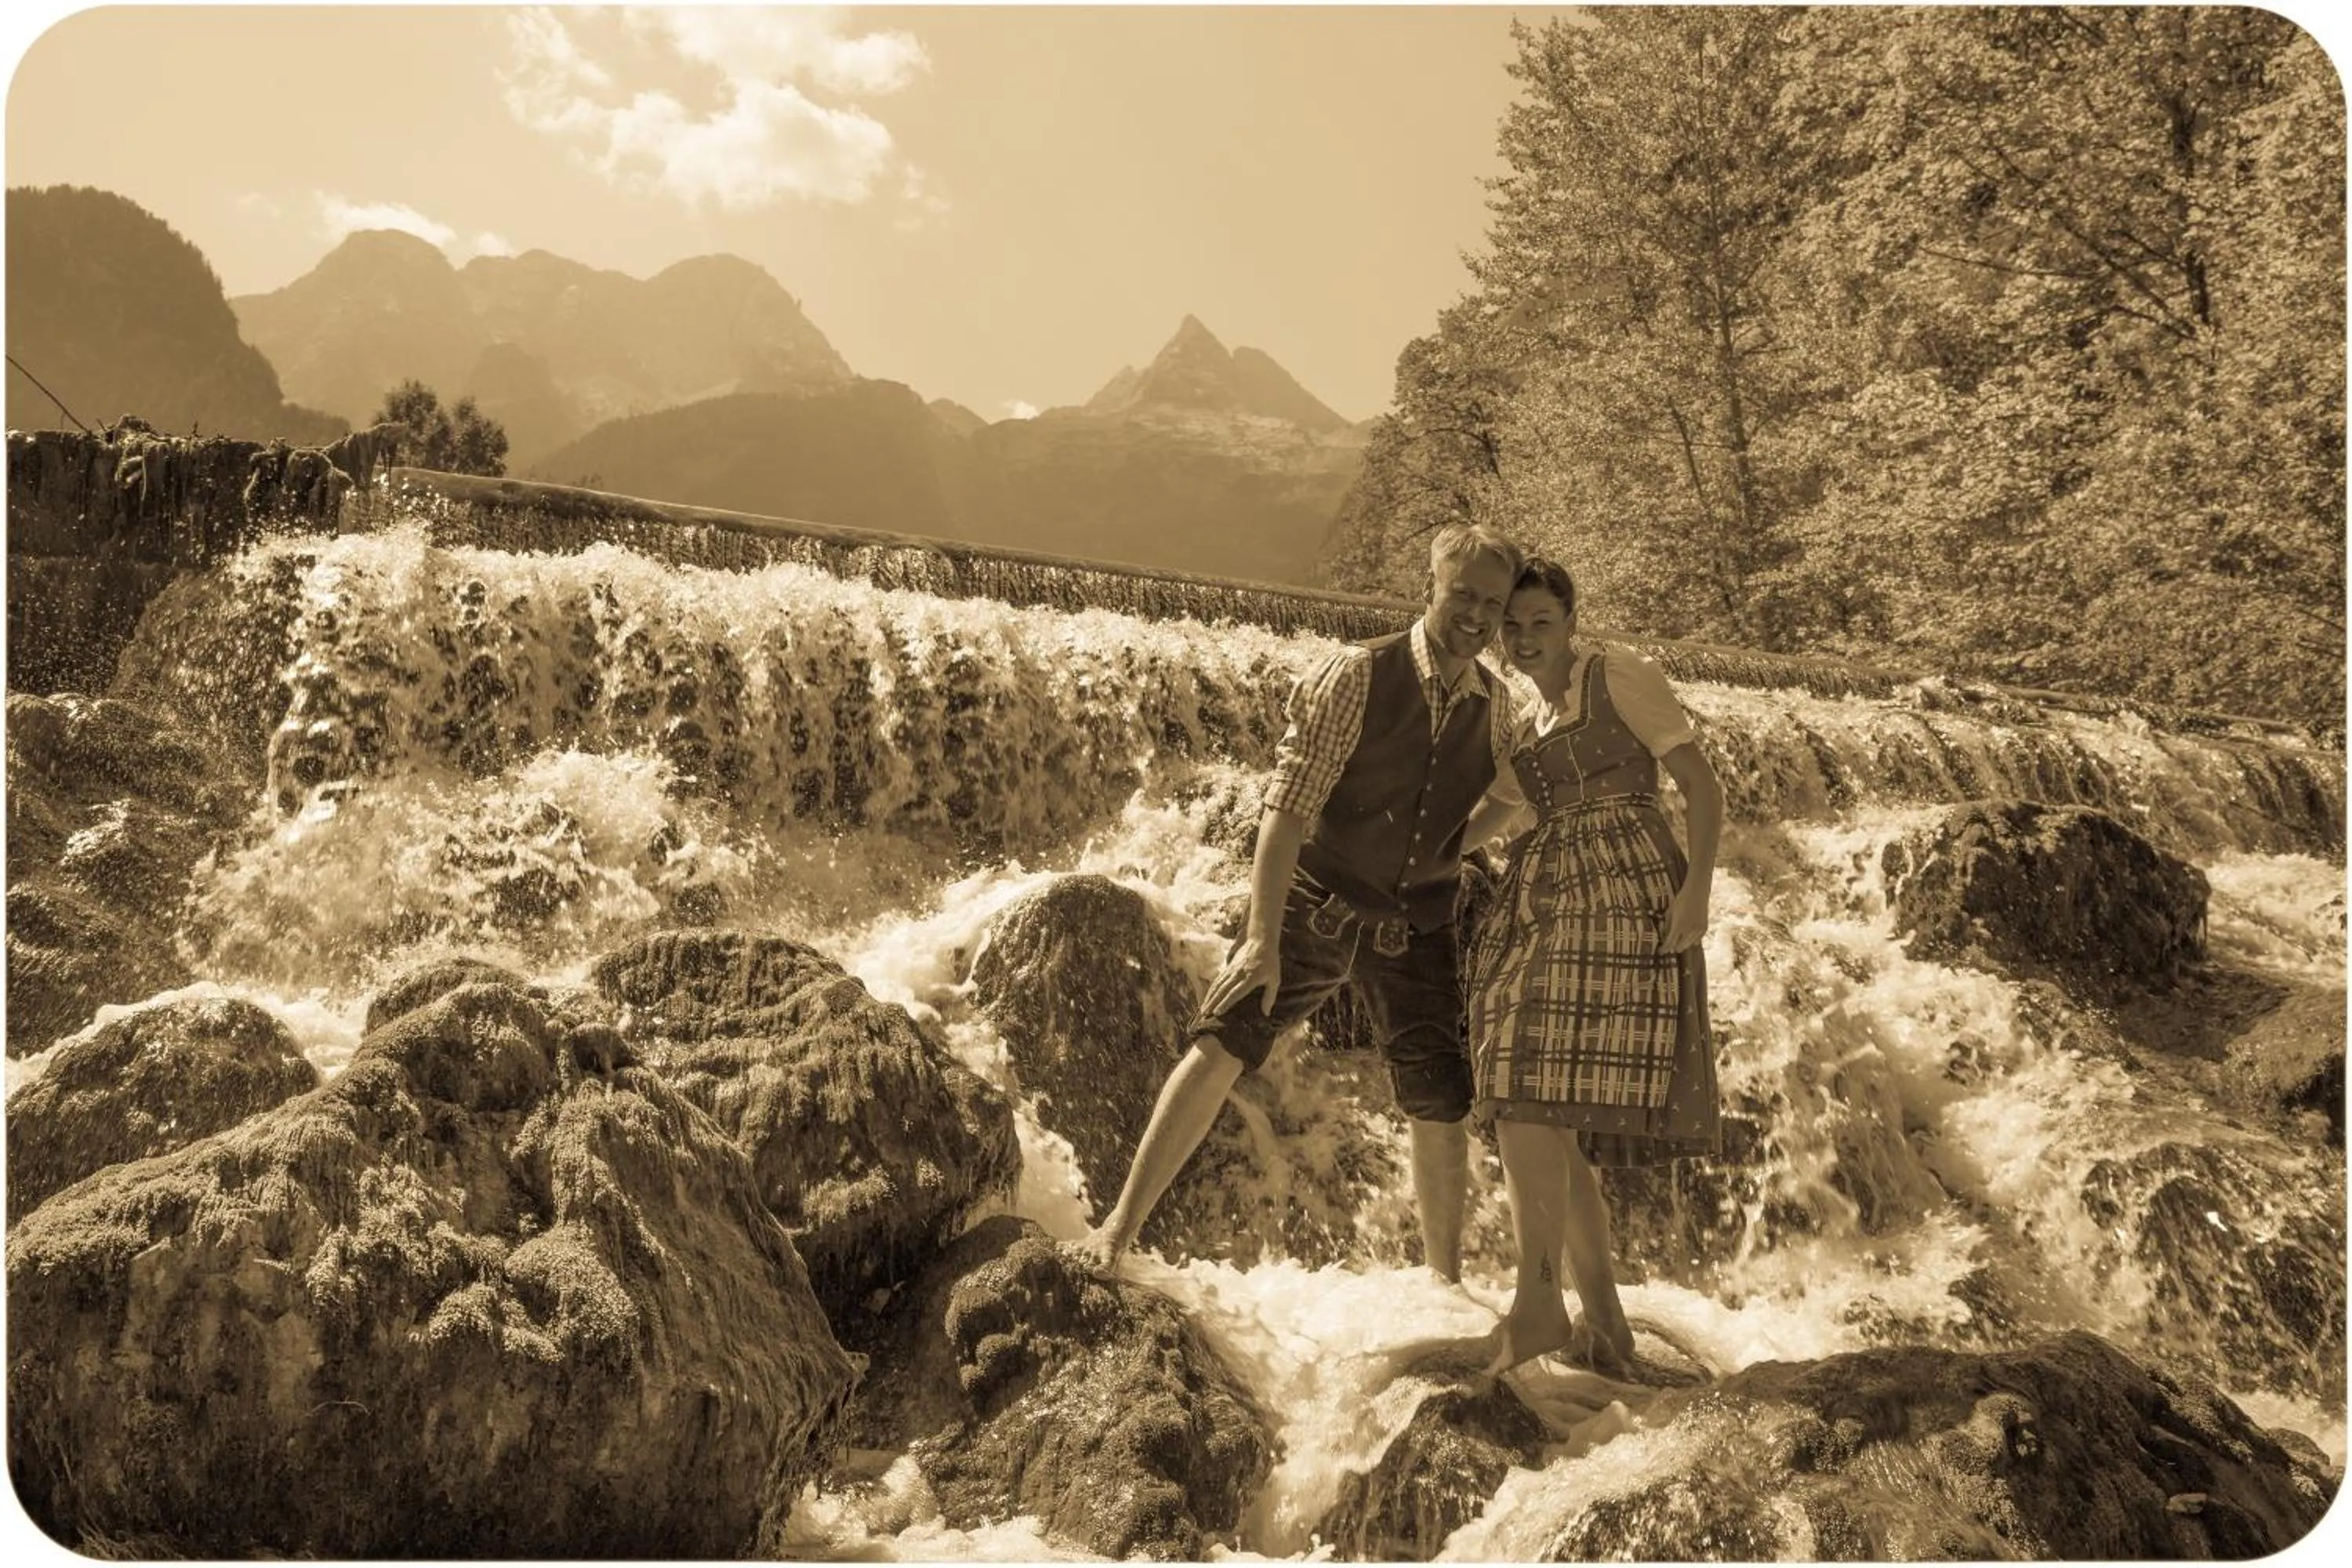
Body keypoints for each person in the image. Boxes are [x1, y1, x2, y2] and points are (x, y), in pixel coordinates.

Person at [1074, 522, 1529, 1282]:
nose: (1476, 615)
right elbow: (1285, 808)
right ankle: (1116, 1232)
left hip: (1414, 923)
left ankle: (1445, 1282)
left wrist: (1455, 843)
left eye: (1492, 601)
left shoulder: (1500, 705)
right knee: (1223, 1039)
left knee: (1439, 1099)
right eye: (1462, 595)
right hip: (1315, 902)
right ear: (1431, 588)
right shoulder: (1356, 674)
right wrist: (1260, 938)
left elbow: (1510, 799)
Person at [1466, 554, 1724, 1379]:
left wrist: (1697, 893)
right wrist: (1404, 859)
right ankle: (1604, 1321)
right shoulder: (1522, 719)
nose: (1526, 636)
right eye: (1513, 625)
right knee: (1524, 1089)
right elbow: (1493, 815)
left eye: (1542, 621)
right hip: (1545, 894)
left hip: (1624, 885)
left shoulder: (1618, 673)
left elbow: (1701, 785)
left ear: (1570, 621)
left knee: (1522, 1080)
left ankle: (1538, 1300)